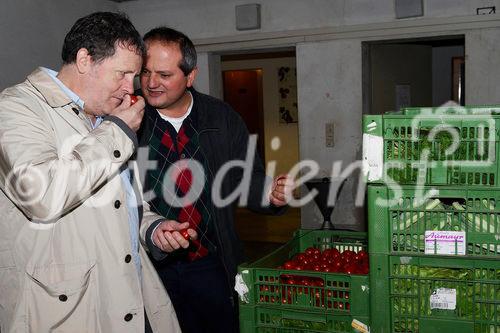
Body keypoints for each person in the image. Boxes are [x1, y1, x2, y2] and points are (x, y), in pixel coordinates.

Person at [0, 12, 183, 333]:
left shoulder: (103, 118)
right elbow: (41, 195)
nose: (131, 88)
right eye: (123, 74)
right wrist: (117, 132)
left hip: (128, 296)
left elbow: (118, 205)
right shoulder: (16, 107)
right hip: (62, 313)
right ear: (85, 59)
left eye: (134, 75)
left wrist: (152, 229)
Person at [137, 27, 294, 333]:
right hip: (149, 269)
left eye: (164, 75)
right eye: (146, 72)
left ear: (190, 76)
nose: (152, 83)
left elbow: (244, 178)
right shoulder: (129, 119)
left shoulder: (221, 118)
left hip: (211, 262)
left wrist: (270, 195)